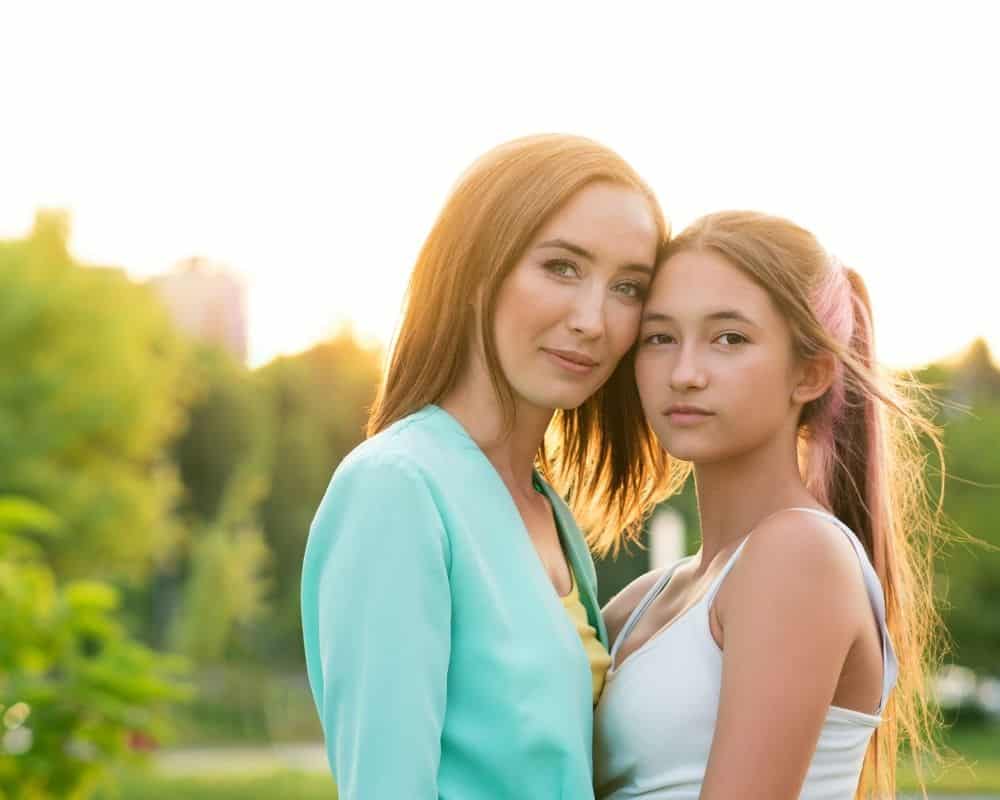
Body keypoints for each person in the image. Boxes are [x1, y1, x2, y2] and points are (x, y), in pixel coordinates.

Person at [301, 133, 673, 799]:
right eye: (562, 267)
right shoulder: (397, 488)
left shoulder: (545, 510)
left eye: (627, 288)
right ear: (476, 272)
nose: (593, 319)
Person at [594, 211, 942, 799]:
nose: (684, 373)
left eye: (729, 338)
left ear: (810, 374)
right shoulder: (638, 602)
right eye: (660, 337)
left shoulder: (798, 554)